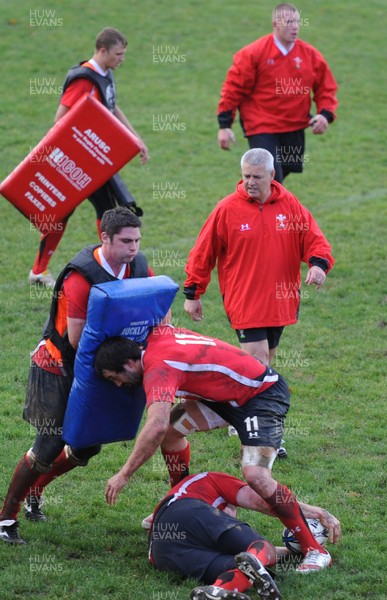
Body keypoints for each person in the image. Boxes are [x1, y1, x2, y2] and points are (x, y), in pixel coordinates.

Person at [95, 326, 333, 572]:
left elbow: (155, 425)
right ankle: (180, 503)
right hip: (221, 398)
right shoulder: (157, 334)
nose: (119, 385)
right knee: (170, 434)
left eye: (116, 377)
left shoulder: (158, 368)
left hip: (261, 396)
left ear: (130, 362)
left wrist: (123, 474)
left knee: (256, 475)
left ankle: (314, 549)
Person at [0, 207, 153, 545]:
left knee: (87, 446)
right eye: (126, 241)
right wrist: (128, 356)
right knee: (48, 446)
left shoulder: (138, 265)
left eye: (137, 240)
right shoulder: (81, 276)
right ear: (105, 239)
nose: (133, 248)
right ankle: (6, 518)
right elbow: (77, 339)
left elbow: (155, 305)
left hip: (103, 365)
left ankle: (35, 492)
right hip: (58, 365)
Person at [183, 148, 334, 367]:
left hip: (279, 298)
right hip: (244, 298)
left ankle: (254, 399)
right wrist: (192, 292)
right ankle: (252, 400)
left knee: (267, 360)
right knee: (257, 360)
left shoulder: (289, 205)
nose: (250, 182)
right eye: (246, 176)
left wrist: (318, 265)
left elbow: (313, 239)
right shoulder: (227, 209)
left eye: (257, 177)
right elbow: (203, 252)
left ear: (272, 175)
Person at [29, 27, 150, 288]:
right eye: (118, 54)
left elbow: (112, 105)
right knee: (62, 214)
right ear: (103, 50)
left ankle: (110, 267)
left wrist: (134, 137)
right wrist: (87, 144)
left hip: (95, 162)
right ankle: (40, 271)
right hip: (76, 162)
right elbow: (60, 120)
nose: (122, 59)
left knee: (106, 210)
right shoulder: (84, 79)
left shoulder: (104, 74)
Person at [149, 471, 341, 599]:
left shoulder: (183, 512)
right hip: (185, 512)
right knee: (260, 546)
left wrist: (292, 552)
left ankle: (218, 590)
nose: (233, 516)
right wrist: (316, 512)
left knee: (241, 568)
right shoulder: (209, 480)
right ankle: (228, 585)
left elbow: (249, 562)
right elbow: (262, 501)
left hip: (161, 552)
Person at [217, 3, 338, 183]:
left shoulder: (310, 55)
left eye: (297, 22)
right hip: (261, 125)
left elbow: (325, 87)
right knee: (271, 178)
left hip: (294, 125)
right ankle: (257, 204)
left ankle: (253, 199)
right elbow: (233, 88)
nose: (295, 26)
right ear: (275, 24)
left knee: (284, 172)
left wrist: (324, 115)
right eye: (289, 22)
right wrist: (224, 125)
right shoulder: (253, 53)